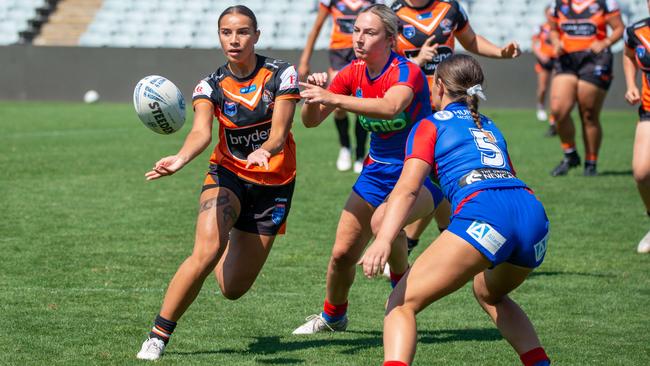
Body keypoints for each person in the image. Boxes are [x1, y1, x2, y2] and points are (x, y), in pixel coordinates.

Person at [359, 54, 551, 366]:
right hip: (532, 215)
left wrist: (382, 239)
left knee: (401, 304)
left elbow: (407, 189)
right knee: (489, 293)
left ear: (437, 86)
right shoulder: (489, 125)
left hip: (487, 215)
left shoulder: (429, 124)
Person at [136, 5, 300, 360]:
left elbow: (280, 133)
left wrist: (266, 150)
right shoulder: (209, 86)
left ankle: (226, 238)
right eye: (227, 32)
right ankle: (158, 335)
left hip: (274, 184)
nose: (234, 39)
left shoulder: (281, 74)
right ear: (219, 37)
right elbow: (200, 132)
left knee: (231, 288)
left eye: (242, 32)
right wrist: (180, 158)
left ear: (256, 36)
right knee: (205, 251)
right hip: (228, 176)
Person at [292, 4, 445, 335]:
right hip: (376, 172)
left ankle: (401, 297)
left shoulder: (407, 72)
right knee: (342, 253)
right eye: (356, 31)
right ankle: (334, 317)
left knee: (384, 222)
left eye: (369, 32)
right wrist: (314, 99)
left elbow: (390, 106)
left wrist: (333, 98)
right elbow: (311, 123)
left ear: (390, 38)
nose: (358, 38)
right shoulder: (352, 71)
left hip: (419, 172)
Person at [390, 0, 521, 254]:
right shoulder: (394, 13)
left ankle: (429, 241)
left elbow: (470, 41)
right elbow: (389, 63)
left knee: (438, 178)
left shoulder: (450, 8)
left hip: (448, 106)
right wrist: (416, 60)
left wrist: (500, 52)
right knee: (423, 179)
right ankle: (440, 239)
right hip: (412, 104)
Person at [299, 0, 385, 173]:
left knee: (362, 104)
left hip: (366, 51)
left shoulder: (375, 2)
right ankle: (345, 147)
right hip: (339, 53)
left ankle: (360, 153)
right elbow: (316, 28)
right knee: (337, 106)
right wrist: (304, 60)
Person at [548, 0, 624, 176]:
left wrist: (605, 42)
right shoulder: (558, 3)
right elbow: (552, 29)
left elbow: (619, 28)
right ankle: (570, 154)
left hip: (595, 59)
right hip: (566, 59)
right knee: (559, 110)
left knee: (588, 113)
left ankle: (591, 163)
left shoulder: (605, 2)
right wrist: (556, 41)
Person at [623, 3, 650, 253]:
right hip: (648, 110)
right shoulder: (637, 30)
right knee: (642, 173)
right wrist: (631, 84)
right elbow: (629, 55)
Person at [532, 5, 559, 137]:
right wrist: (541, 56)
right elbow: (535, 44)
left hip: (557, 60)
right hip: (544, 61)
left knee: (555, 91)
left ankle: (553, 119)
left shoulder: (559, 27)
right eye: (548, 13)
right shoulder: (540, 28)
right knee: (542, 88)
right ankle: (541, 106)